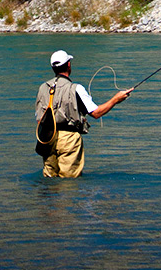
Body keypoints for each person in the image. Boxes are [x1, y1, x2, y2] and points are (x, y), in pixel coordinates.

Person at [34, 50, 133, 178]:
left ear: (53, 68)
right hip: (69, 139)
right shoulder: (76, 88)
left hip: (47, 138)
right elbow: (96, 113)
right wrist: (116, 99)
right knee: (68, 182)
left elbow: (39, 120)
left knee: (49, 179)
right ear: (68, 65)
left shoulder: (42, 88)